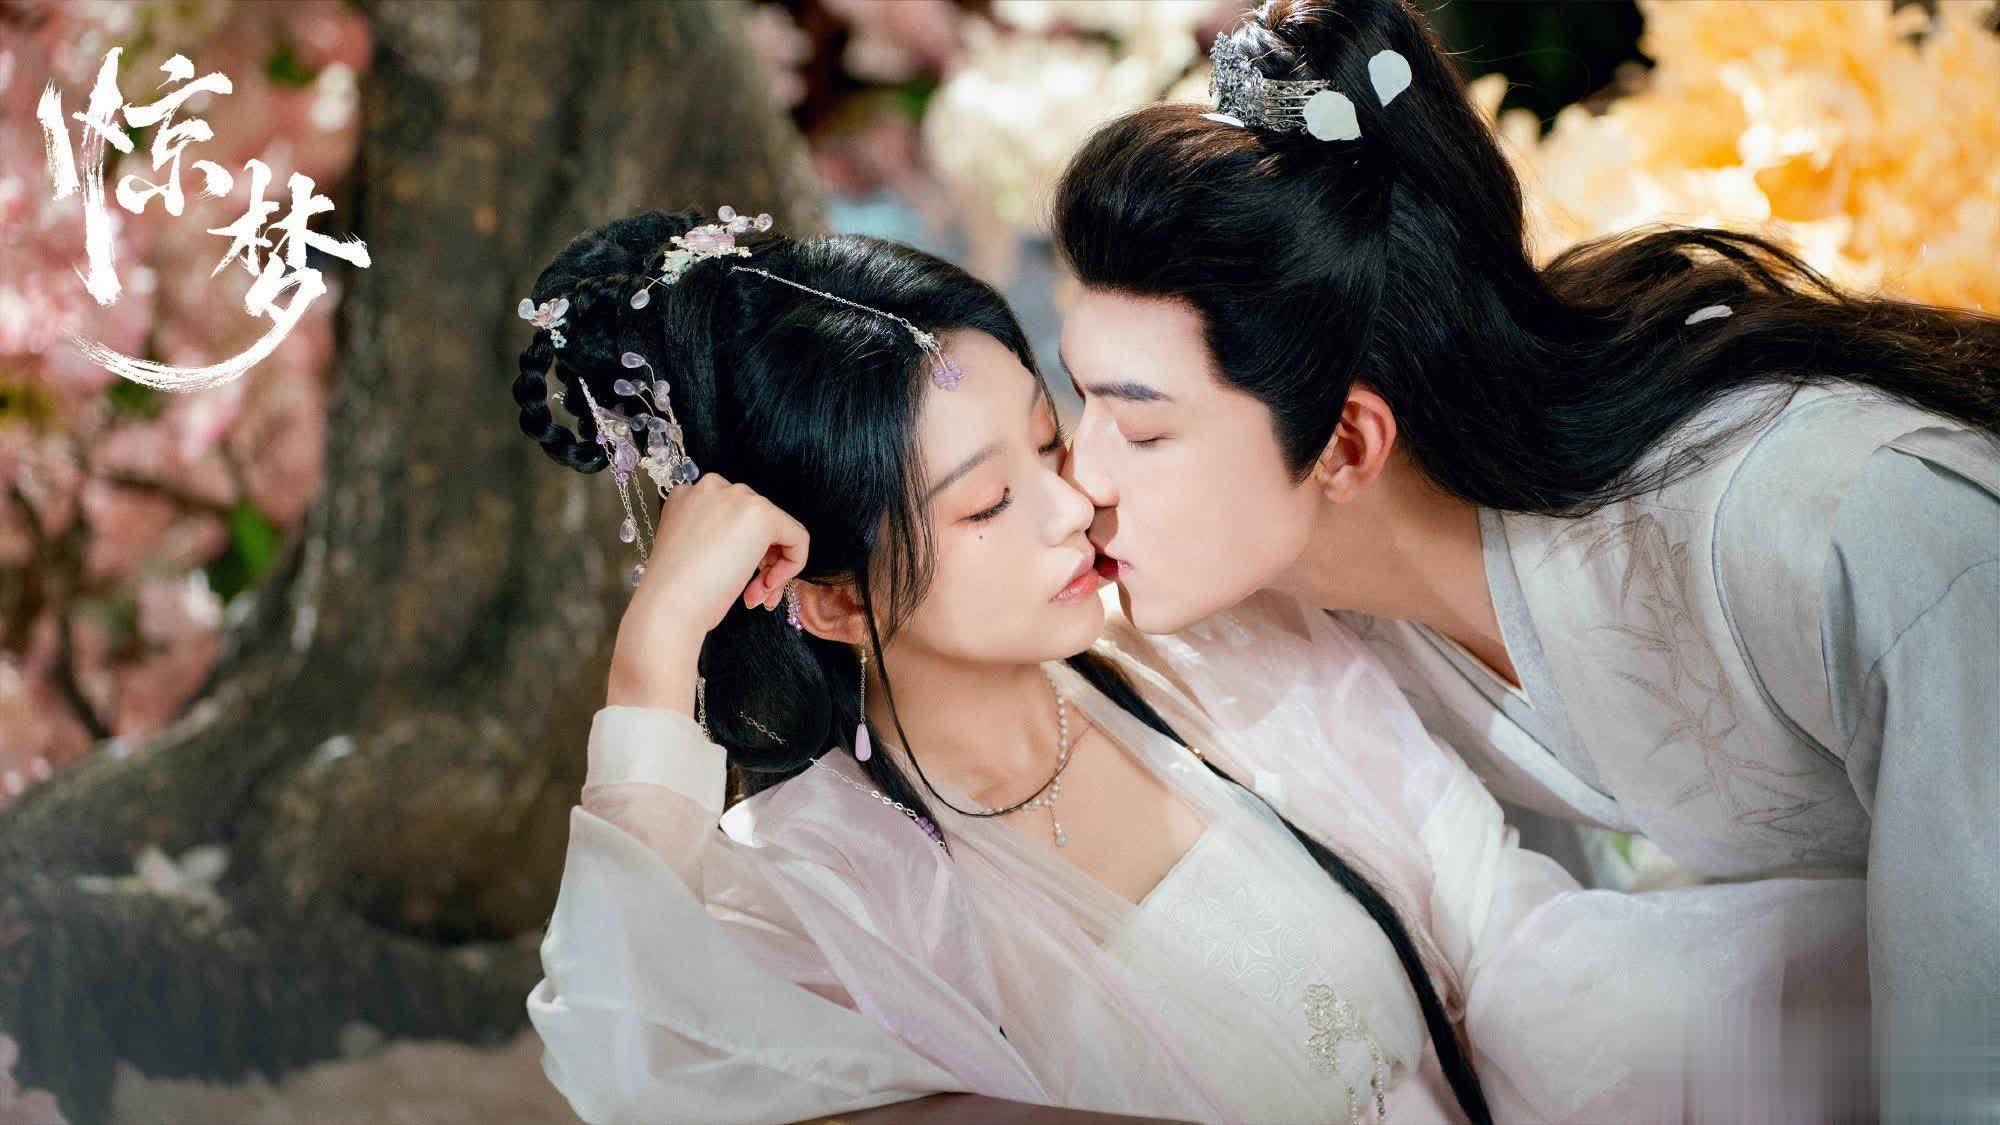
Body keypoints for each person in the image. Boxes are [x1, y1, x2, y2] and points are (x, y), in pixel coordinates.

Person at [512, 208, 1868, 1125]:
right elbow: (639, 1055)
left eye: (1050, 445)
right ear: (832, 599)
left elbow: (1509, 949)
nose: (1072, 507)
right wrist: (652, 663)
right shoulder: (817, 893)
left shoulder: (1209, 656)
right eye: (987, 506)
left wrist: (1867, 993)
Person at [1046, 1, 2000, 1117]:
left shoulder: (1841, 525)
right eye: (1077, 400)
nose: (1079, 475)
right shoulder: (1315, 623)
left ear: (1347, 442)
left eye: (1140, 428)